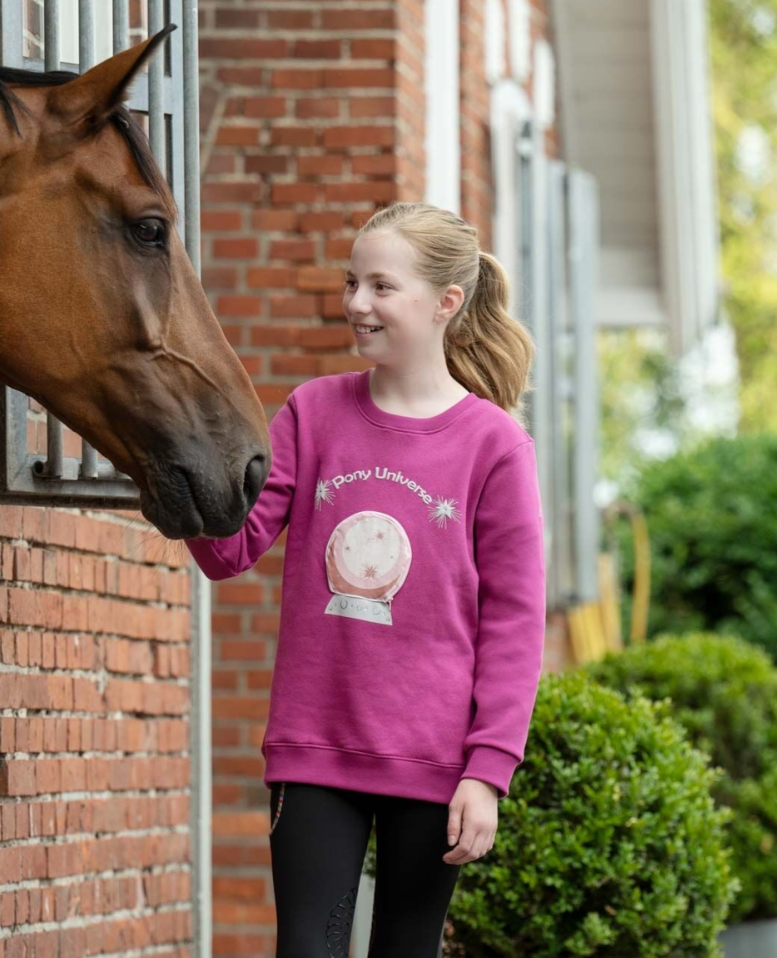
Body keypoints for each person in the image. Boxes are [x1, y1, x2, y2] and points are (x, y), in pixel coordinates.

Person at [184, 202, 546, 958]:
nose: (357, 304)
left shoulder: (495, 445)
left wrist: (488, 771)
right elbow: (233, 550)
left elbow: (514, 624)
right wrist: (180, 483)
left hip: (436, 764)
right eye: (353, 283)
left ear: (446, 303)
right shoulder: (313, 412)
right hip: (315, 748)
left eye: (381, 287)